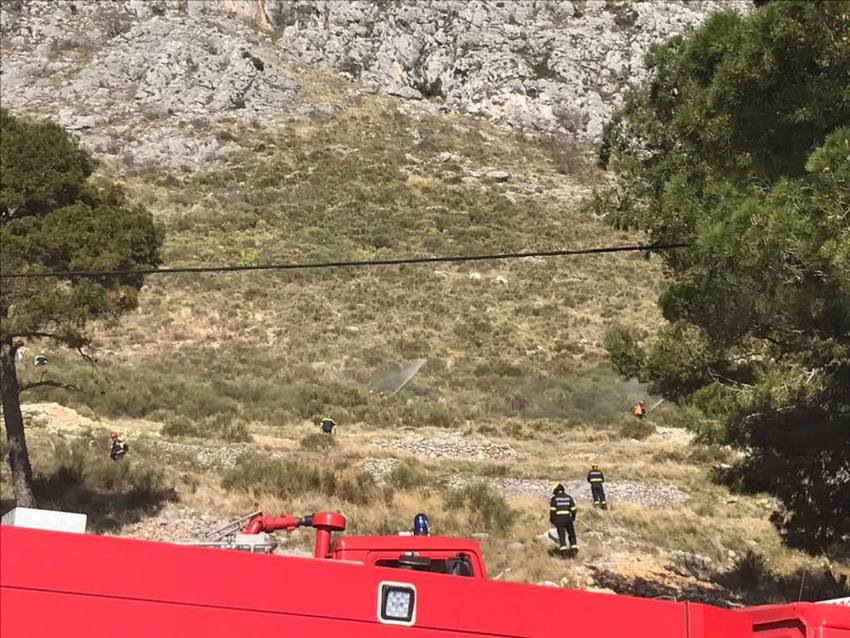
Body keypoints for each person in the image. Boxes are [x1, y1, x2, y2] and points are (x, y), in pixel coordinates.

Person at [549, 483, 577, 557]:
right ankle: (574, 551)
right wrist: (573, 517)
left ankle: (564, 554)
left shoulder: (554, 499)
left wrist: (552, 520)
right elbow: (573, 509)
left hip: (559, 520)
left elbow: (552, 511)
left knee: (562, 536)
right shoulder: (569, 497)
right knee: (572, 535)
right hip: (568, 519)